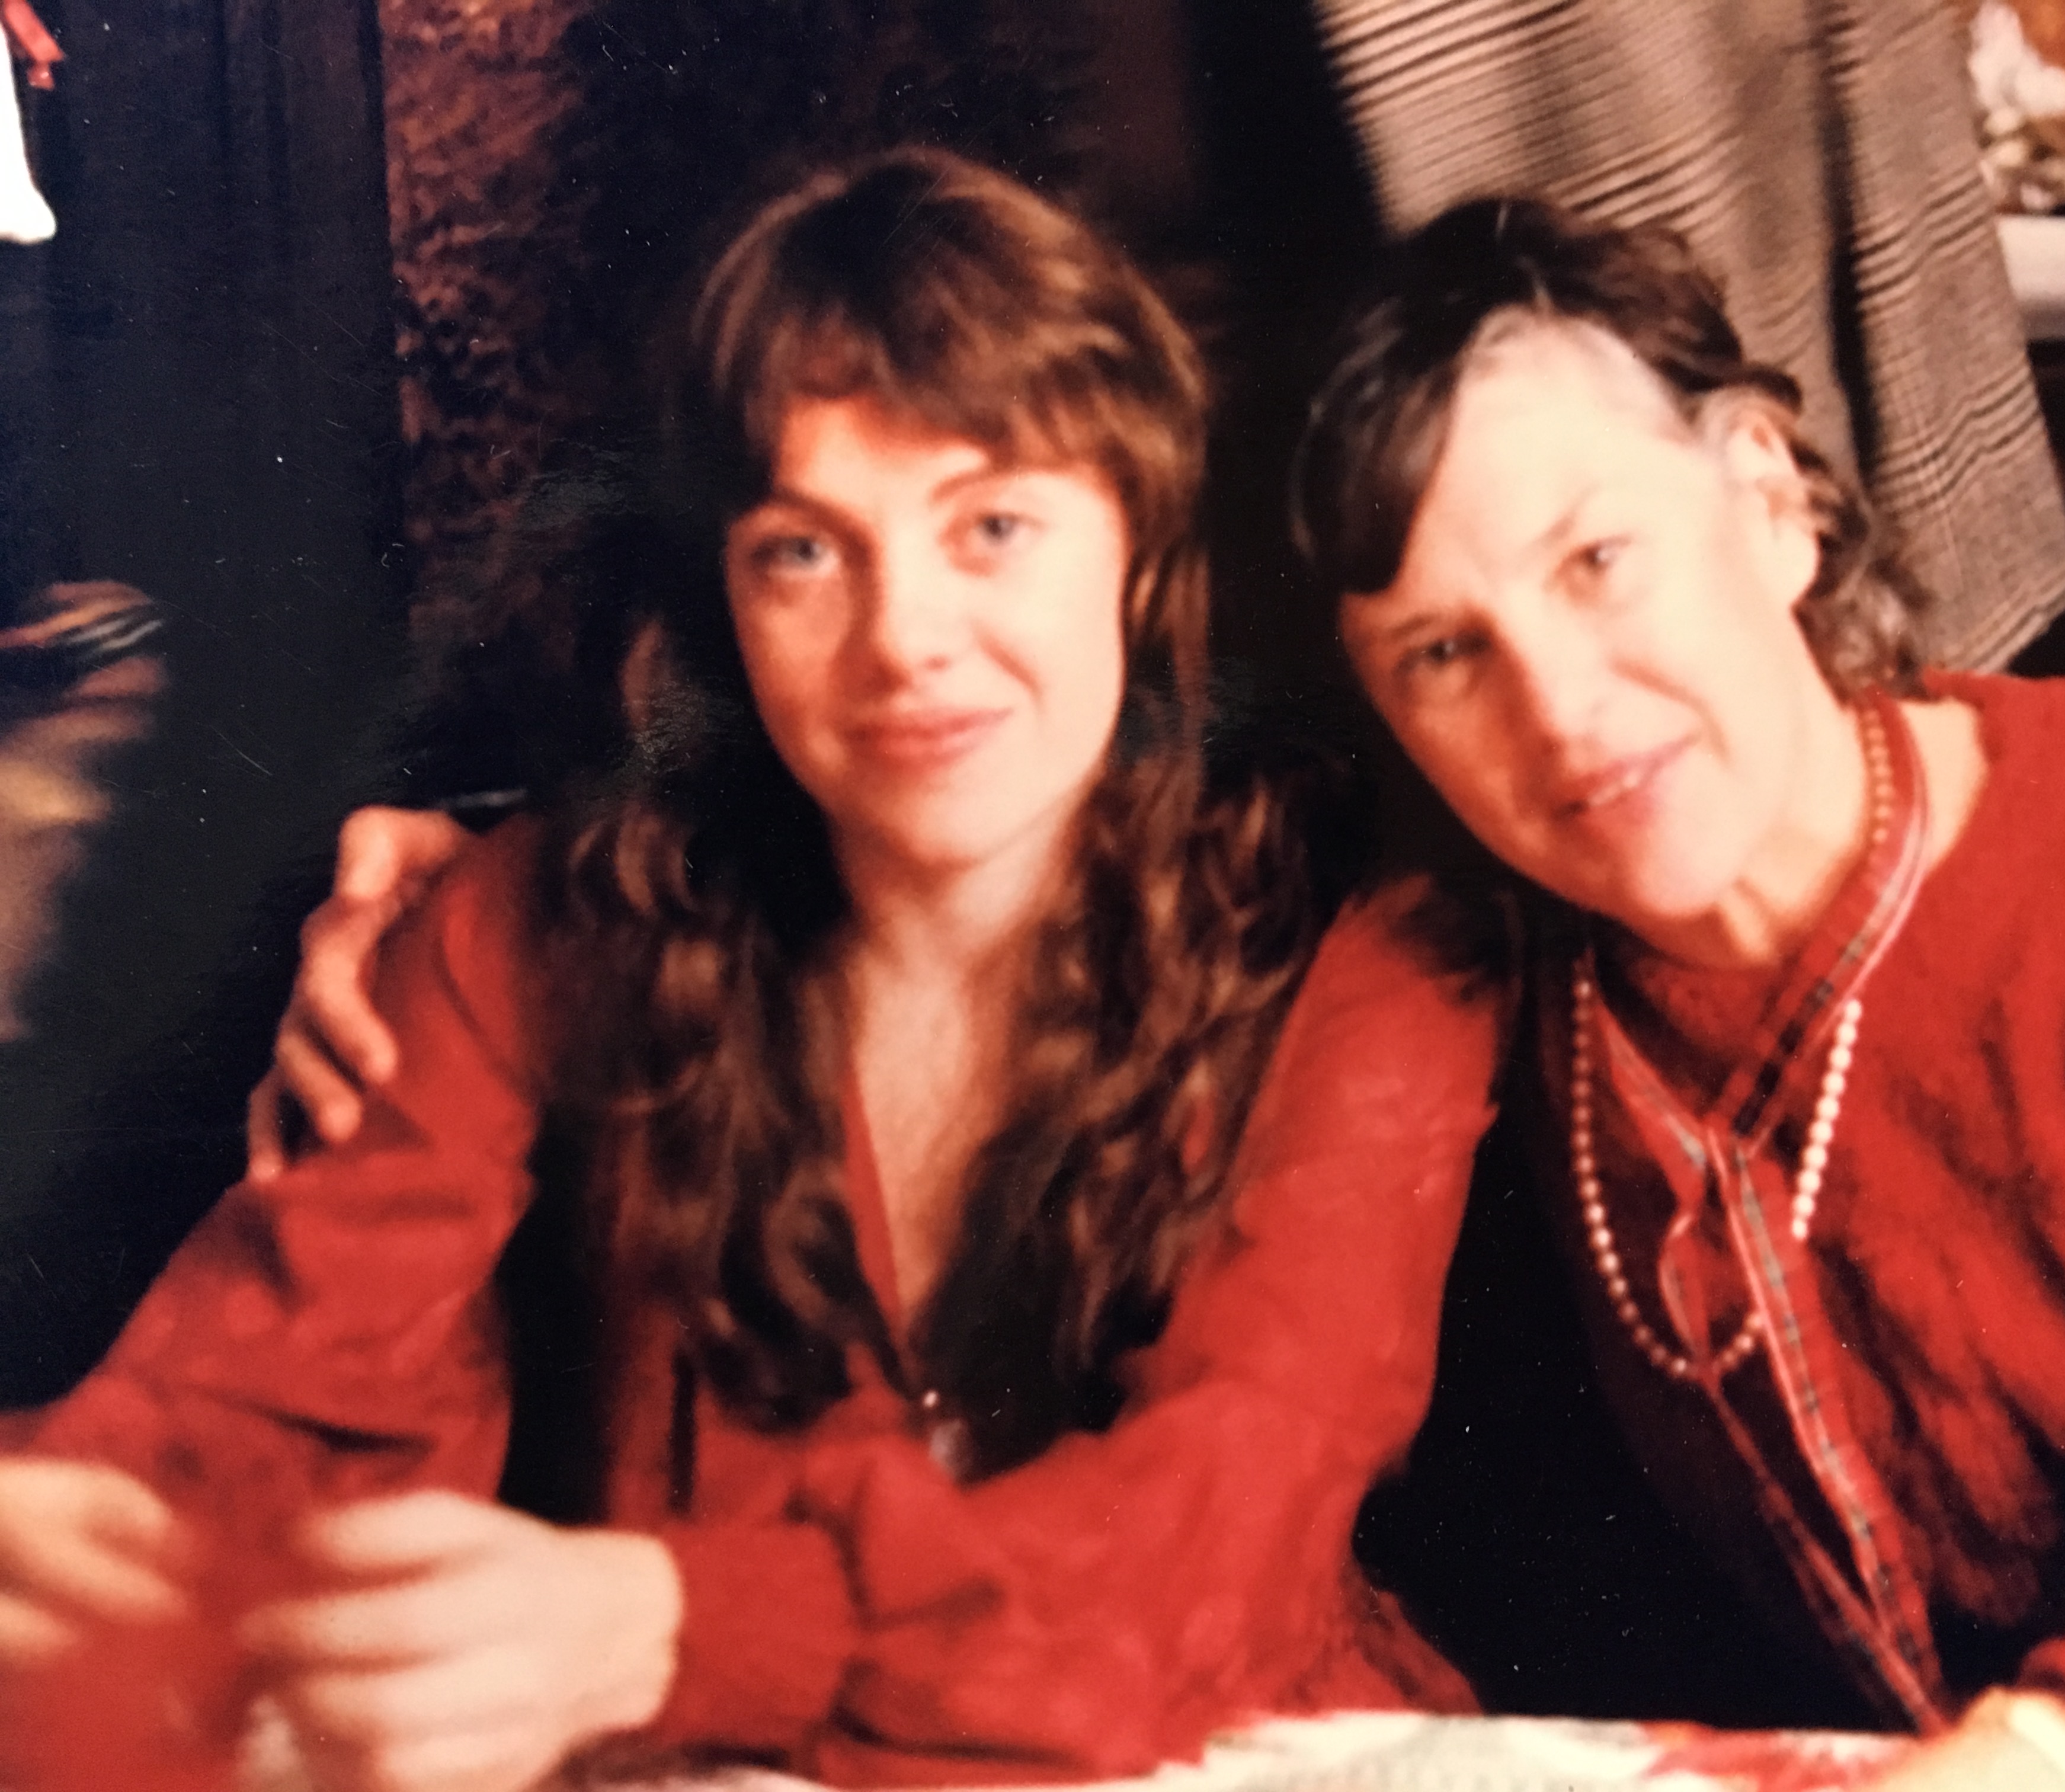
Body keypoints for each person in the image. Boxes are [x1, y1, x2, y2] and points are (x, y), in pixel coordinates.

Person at [0, 150, 1497, 1792]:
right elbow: (248, 1405)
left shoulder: (1364, 963)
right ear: (723, 595)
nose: (905, 637)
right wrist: (80, 1528)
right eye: (803, 550)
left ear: (1138, 553)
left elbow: (1210, 1548)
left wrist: (674, 1624)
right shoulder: (546, 919)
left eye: (994, 526)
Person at [1293, 201, 2065, 1791]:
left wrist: (2043, 1762)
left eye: (1597, 561)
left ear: (1767, 498)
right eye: (1443, 655)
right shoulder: (1487, 1011)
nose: (1559, 709)